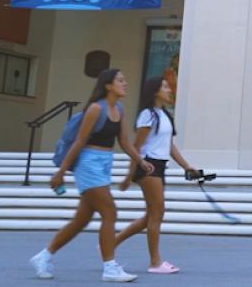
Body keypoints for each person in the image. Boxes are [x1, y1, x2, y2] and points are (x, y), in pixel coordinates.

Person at [30, 68, 152, 282]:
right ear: (108, 85)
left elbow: (124, 141)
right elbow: (79, 141)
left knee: (81, 220)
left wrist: (140, 160)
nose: (125, 83)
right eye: (121, 80)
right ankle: (109, 267)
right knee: (109, 212)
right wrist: (60, 172)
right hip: (88, 163)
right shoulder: (96, 109)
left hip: (105, 163)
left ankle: (44, 256)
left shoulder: (119, 109)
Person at [114, 77, 192, 275]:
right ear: (155, 91)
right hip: (148, 166)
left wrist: (186, 166)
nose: (169, 89)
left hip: (159, 166)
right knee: (158, 212)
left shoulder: (163, 114)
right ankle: (155, 262)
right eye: (165, 87)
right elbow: (137, 147)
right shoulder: (147, 115)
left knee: (151, 215)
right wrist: (129, 175)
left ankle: (111, 243)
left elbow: (169, 145)